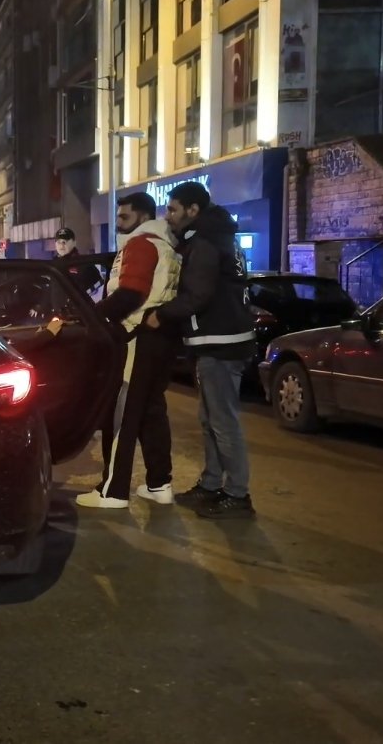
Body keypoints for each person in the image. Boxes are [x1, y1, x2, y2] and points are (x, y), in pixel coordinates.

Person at [144, 181, 258, 520]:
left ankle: (237, 494)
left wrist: (162, 314)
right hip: (219, 340)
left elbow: (198, 295)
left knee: (223, 422)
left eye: (173, 209)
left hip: (220, 342)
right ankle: (211, 485)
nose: (168, 216)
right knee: (211, 420)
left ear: (193, 210)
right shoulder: (217, 237)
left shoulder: (205, 243)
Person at [77, 192, 182, 510]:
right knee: (151, 411)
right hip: (161, 338)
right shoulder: (167, 245)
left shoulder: (141, 243)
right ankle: (159, 484)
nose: (119, 223)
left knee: (121, 415)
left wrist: (93, 316)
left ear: (143, 216)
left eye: (124, 217)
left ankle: (113, 491)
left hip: (137, 337)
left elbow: (131, 293)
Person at [53, 227, 104, 297]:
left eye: (65, 242)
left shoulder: (84, 263)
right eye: (59, 242)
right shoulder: (52, 265)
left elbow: (99, 287)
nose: (61, 245)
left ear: (74, 243)